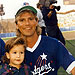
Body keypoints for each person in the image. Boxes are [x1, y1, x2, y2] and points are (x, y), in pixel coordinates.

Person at [15, 5, 75, 75]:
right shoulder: (13, 49)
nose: (27, 23)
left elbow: (72, 66)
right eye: (22, 20)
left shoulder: (54, 44)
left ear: (37, 21)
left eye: (31, 19)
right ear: (16, 25)